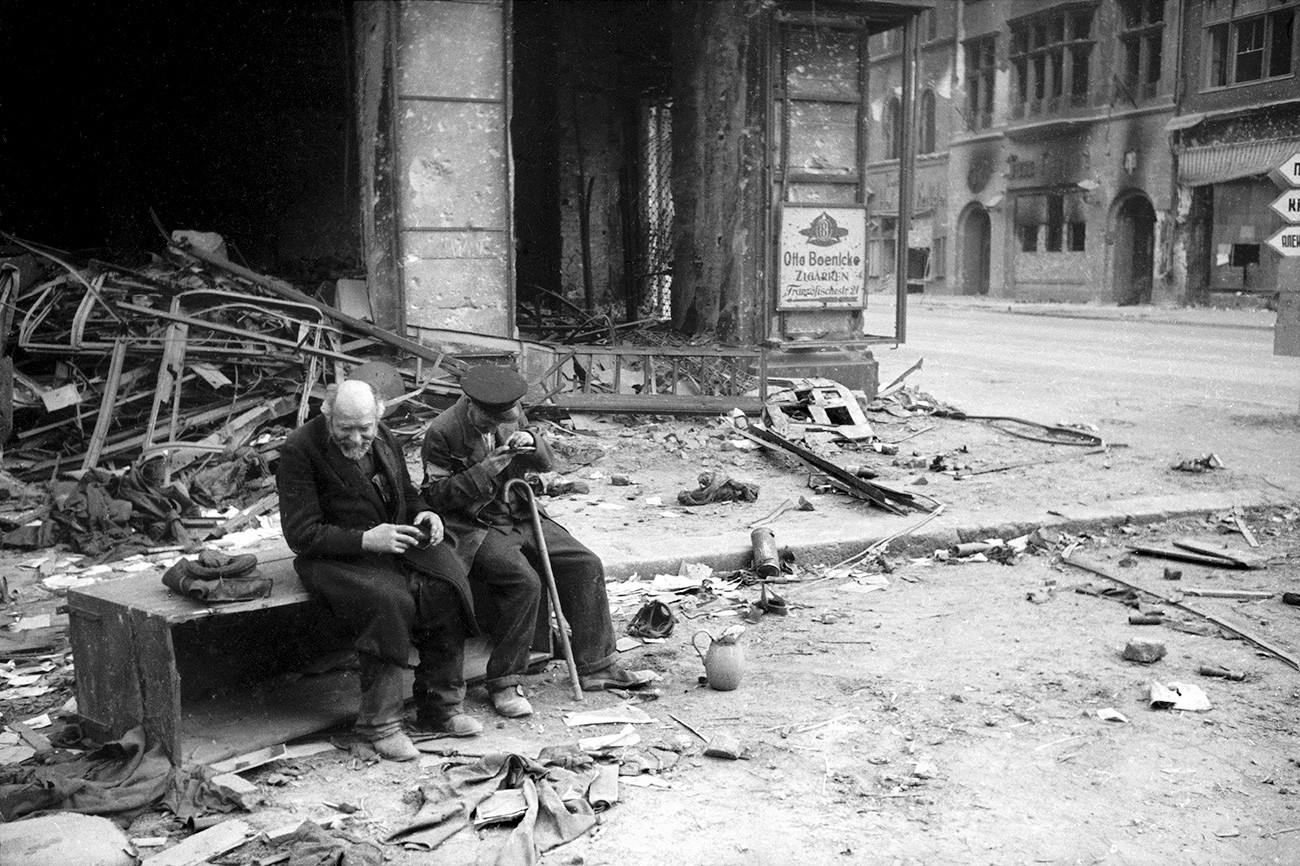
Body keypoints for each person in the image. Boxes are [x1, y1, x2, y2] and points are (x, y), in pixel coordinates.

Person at [421, 365, 652, 718]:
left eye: (507, 418)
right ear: (471, 404)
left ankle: (595, 665)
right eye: (490, 420)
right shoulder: (442, 431)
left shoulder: (508, 415)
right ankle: (505, 681)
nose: (498, 425)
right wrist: (485, 471)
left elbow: (546, 463)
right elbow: (435, 497)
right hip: (477, 524)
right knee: (523, 581)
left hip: (522, 512)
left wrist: (533, 442)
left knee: (585, 563)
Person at [276, 379, 482, 762]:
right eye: (345, 429)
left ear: (378, 417)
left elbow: (406, 491)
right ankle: (380, 724)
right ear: (327, 414)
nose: (356, 439)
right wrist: (364, 541)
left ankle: (441, 706)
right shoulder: (299, 449)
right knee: (388, 600)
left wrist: (425, 512)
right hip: (332, 556)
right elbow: (301, 534)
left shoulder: (383, 435)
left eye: (364, 429)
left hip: (386, 543)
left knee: (446, 582)